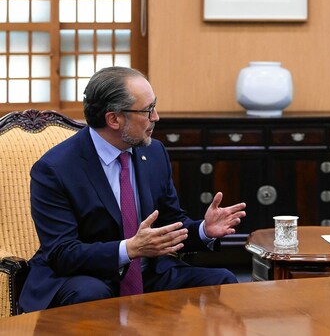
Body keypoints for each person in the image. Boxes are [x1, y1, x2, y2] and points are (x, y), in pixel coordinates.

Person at [20, 66, 247, 312]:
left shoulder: (154, 152)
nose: (156, 117)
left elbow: (169, 224)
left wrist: (204, 230)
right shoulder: (55, 169)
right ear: (114, 119)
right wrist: (129, 249)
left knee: (221, 280)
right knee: (92, 294)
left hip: (147, 272)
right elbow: (63, 253)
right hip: (84, 276)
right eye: (148, 110)